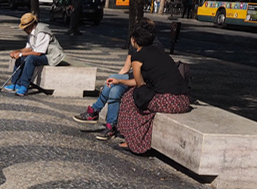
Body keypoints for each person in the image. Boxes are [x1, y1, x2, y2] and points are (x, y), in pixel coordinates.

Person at [72, 18, 157, 142]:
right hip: (133, 77)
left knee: (114, 83)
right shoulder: (135, 44)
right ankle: (109, 126)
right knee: (113, 87)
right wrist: (112, 82)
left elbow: (143, 77)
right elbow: (125, 68)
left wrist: (118, 80)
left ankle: (97, 113)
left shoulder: (153, 46)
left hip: (145, 81)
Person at [114, 22, 191, 154]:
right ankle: (136, 138)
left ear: (134, 40)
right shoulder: (160, 52)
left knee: (130, 98)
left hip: (169, 102)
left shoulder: (137, 57)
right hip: (183, 101)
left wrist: (120, 82)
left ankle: (133, 141)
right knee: (141, 97)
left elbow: (139, 84)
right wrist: (119, 81)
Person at [3, 12, 65, 97]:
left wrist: (21, 54)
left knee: (30, 58)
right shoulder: (31, 33)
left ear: (31, 25)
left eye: (25, 28)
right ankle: (16, 83)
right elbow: (28, 48)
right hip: (40, 53)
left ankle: (24, 86)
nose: (24, 30)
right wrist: (17, 51)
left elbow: (38, 53)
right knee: (21, 57)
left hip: (51, 56)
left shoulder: (42, 32)